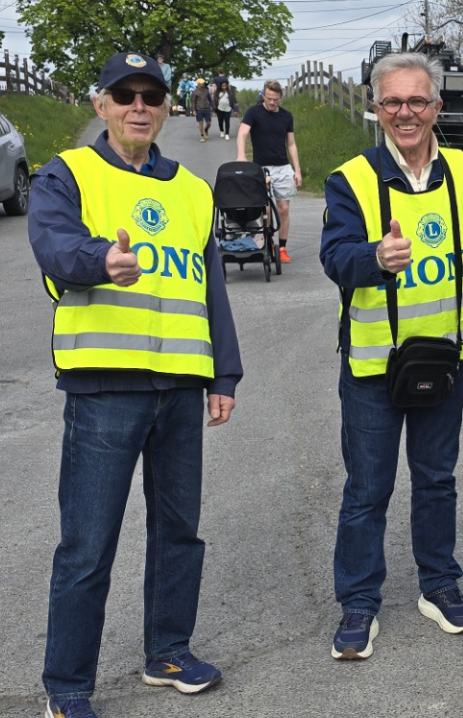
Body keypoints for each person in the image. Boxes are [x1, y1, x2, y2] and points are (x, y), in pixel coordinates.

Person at [27, 51, 243, 718]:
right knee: (88, 545)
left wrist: (223, 372)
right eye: (125, 95)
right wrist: (101, 258)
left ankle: (168, 652)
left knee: (180, 532)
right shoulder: (68, 174)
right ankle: (67, 688)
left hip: (180, 388)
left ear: (168, 105)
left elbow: (210, 288)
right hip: (104, 390)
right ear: (102, 106)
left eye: (151, 94)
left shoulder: (191, 190)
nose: (139, 106)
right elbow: (53, 246)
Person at [320, 51, 463, 661]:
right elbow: (335, 257)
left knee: (437, 480)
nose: (405, 112)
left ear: (437, 108)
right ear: (375, 108)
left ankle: (438, 585)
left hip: (445, 359)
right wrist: (375, 258)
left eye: (417, 101)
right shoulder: (351, 179)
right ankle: (359, 602)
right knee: (368, 488)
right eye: (392, 101)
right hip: (373, 365)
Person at [237, 80, 301, 262]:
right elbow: (242, 133)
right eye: (268, 98)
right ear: (263, 95)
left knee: (283, 208)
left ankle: (282, 247)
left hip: (282, 167)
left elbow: (291, 143)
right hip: (261, 168)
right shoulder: (253, 112)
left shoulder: (286, 116)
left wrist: (297, 170)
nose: (272, 102)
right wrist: (241, 156)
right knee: (265, 209)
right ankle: (268, 242)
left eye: (275, 99)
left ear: (280, 97)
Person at [191, 77, 213, 141]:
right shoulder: (195, 92)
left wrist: (213, 107)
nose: (203, 84)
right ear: (198, 84)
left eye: (203, 83)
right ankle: (202, 136)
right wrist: (194, 110)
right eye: (201, 83)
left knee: (209, 123)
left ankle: (206, 130)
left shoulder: (206, 91)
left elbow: (210, 100)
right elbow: (193, 102)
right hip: (199, 109)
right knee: (200, 123)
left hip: (207, 108)